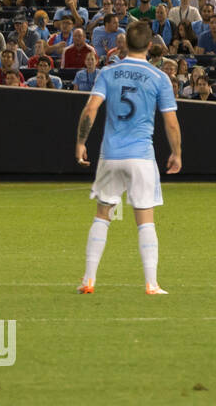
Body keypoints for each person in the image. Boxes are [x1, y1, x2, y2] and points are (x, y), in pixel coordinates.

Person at [75, 21, 182, 296]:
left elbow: (90, 109)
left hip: (110, 154)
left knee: (102, 215)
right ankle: (151, 283)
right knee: (145, 218)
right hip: (142, 157)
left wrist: (81, 142)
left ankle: (88, 279)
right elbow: (170, 122)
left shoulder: (108, 72)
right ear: (149, 46)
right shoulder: (159, 78)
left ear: (124, 44)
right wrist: (176, 153)